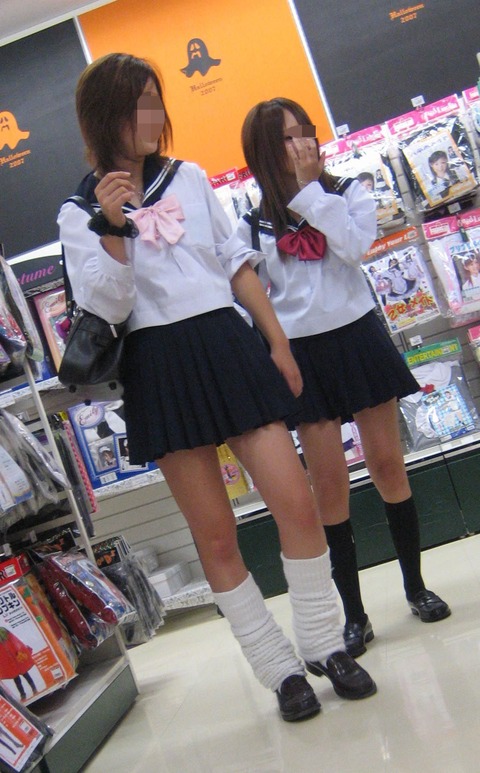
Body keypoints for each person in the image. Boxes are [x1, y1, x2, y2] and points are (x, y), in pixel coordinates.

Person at [57, 54, 376, 723]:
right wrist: (111, 229)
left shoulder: (189, 176)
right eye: (139, 102)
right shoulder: (78, 211)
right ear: (105, 115)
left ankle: (323, 641)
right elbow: (107, 305)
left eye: (156, 99)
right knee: (217, 536)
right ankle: (279, 669)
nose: (154, 115)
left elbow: (236, 263)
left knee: (296, 503)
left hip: (227, 344)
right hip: (157, 363)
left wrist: (278, 343)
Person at [237, 97, 451, 658]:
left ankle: (415, 586)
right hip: (303, 356)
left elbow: (355, 249)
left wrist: (311, 190)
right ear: (264, 151)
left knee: (388, 465)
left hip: (359, 337)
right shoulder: (251, 224)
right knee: (329, 487)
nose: (302, 143)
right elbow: (251, 299)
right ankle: (354, 615)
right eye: (287, 137)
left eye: (304, 131)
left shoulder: (348, 191)